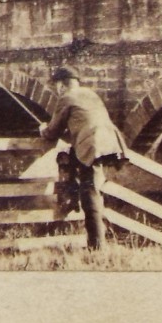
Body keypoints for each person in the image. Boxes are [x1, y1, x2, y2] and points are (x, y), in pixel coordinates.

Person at [39, 66, 127, 250]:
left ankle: (97, 247)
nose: (56, 90)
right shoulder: (90, 94)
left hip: (92, 145)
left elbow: (52, 132)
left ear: (62, 85)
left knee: (90, 194)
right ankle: (75, 202)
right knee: (93, 188)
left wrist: (43, 129)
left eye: (56, 86)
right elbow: (83, 120)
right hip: (109, 142)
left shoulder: (66, 97)